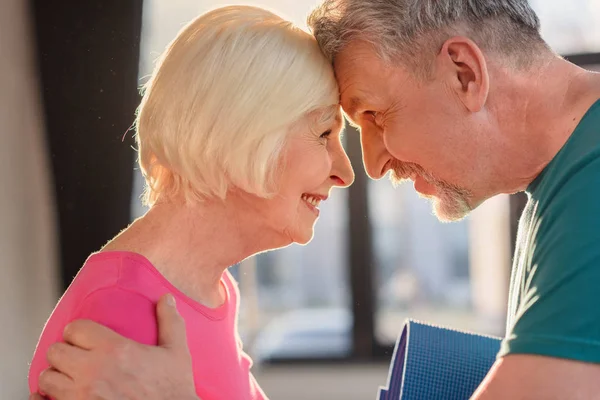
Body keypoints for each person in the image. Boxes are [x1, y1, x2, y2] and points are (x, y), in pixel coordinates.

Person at [31, 0, 600, 399]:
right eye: (330, 132)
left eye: (374, 114)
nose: (367, 167)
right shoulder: (558, 190)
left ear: (462, 72)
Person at [28, 5, 353, 400]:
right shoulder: (121, 307)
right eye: (324, 134)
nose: (344, 172)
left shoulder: (213, 289)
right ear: (244, 132)